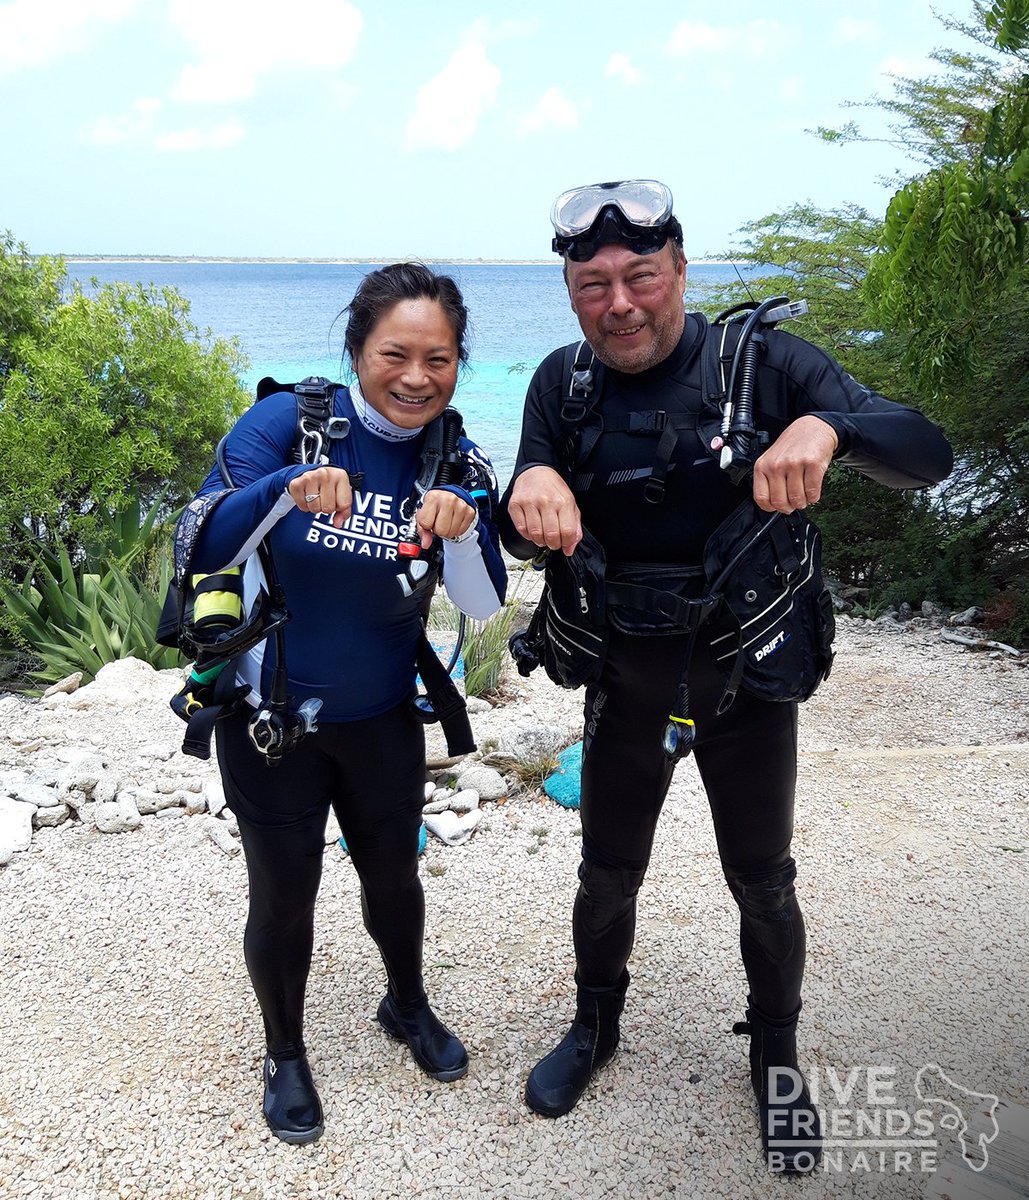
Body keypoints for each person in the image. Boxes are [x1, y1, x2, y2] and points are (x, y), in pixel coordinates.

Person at [500, 180, 953, 1171]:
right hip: (627, 674)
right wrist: (524, 483)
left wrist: (833, 428)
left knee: (763, 882)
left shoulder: (769, 367)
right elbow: (523, 512)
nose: (619, 302)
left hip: (745, 678)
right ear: (572, 292)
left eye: (641, 277)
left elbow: (927, 453)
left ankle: (777, 1056)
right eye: (593, 284)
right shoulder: (561, 387)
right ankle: (594, 1027)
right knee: (607, 872)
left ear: (681, 273)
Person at [178, 263, 506, 1144]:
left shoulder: (455, 455)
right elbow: (202, 539)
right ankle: (284, 1051)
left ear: (457, 362)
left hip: (381, 724)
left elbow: (479, 607)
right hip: (272, 719)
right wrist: (282, 489)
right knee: (284, 897)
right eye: (393, 354)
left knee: (394, 877)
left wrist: (467, 528)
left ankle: (405, 1004)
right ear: (356, 350)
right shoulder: (287, 425)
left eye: (437, 359)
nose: (414, 378)